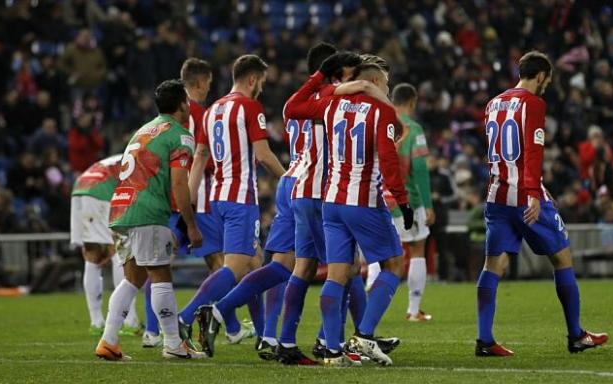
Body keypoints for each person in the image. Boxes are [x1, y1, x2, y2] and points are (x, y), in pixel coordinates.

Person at [476, 51, 608, 357]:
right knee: (562, 258)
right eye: (547, 78)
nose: (546, 84)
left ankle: (484, 340)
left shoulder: (492, 103)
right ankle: (576, 335)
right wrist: (535, 193)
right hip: (525, 195)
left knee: (493, 266)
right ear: (540, 76)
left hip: (497, 195)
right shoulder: (533, 103)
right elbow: (533, 150)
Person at [284, 57, 413, 367]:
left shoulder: (331, 103)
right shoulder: (381, 110)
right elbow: (389, 156)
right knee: (394, 263)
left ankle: (331, 350)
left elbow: (292, 108)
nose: (388, 88)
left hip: (331, 201)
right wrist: (403, 200)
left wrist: (320, 78)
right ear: (376, 83)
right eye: (385, 82)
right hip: (364, 201)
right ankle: (364, 337)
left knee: (339, 274)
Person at [175, 55, 286, 358]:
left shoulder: (211, 111)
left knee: (256, 263)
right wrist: (288, 178)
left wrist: (191, 199)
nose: (261, 88)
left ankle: (264, 337)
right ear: (252, 79)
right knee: (235, 269)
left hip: (215, 200)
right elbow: (262, 155)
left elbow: (199, 157)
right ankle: (184, 318)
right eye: (261, 82)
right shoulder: (250, 107)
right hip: (240, 200)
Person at [95, 79, 204, 360]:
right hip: (147, 210)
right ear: (183, 104)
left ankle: (108, 340)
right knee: (160, 274)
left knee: (133, 277)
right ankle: (172, 343)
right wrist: (190, 225)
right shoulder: (180, 134)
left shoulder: (145, 130)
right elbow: (180, 184)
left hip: (122, 209)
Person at [378, 83, 435, 322]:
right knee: (417, 248)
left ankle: (373, 287)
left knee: (379, 253)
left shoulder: (381, 121)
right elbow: (420, 168)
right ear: (412, 102)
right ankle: (413, 310)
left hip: (379, 198)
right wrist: (428, 204)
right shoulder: (412, 129)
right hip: (407, 200)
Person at [70, 154, 141, 336]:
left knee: (91, 255)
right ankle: (129, 321)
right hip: (100, 192)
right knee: (120, 251)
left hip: (80, 188)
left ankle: (96, 322)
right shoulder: (140, 158)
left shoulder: (119, 157)